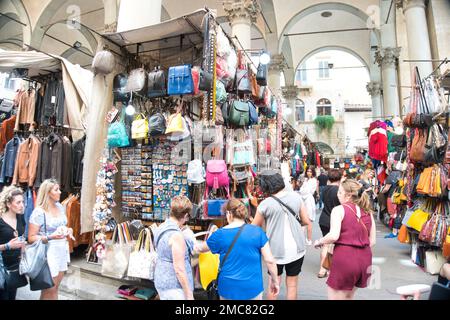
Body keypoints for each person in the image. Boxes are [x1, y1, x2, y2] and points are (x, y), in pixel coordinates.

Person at [195, 199, 280, 300]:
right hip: (252, 287)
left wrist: (191, 239)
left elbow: (200, 248)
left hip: (228, 288)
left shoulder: (220, 234)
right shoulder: (257, 232)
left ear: (229, 214)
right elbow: (270, 260)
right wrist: (275, 281)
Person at [252, 170, 312, 300]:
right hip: (297, 247)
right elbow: (306, 221)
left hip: (275, 249)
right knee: (292, 285)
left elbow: (253, 228)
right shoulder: (296, 197)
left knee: (274, 284)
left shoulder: (265, 204)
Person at [314, 179, 376, 300]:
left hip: (345, 258)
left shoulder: (339, 210)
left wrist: (320, 241)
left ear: (348, 195)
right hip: (364, 259)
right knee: (348, 296)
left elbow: (333, 235)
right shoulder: (368, 212)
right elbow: (372, 241)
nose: (338, 194)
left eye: (340, 192)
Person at [28, 179, 72, 300]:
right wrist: (50, 237)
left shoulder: (60, 207)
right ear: (47, 193)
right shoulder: (39, 212)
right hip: (48, 252)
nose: (60, 192)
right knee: (49, 289)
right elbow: (31, 238)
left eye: (59, 189)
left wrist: (69, 230)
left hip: (62, 249)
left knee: (55, 287)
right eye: (56, 189)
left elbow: (63, 226)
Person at [154, 195, 195, 300]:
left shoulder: (161, 227)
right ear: (185, 216)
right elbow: (179, 269)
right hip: (174, 287)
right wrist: (189, 294)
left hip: (161, 279)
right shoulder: (177, 236)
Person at [0, 186, 27, 300]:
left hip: (15, 266)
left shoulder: (20, 218)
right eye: (18, 202)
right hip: (1, 267)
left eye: (23, 201)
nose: (22, 205)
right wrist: (8, 246)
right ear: (8, 204)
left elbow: (22, 237)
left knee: (12, 296)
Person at [317, 169, 342, 278]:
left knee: (325, 244)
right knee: (333, 245)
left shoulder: (324, 189)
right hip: (334, 220)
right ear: (340, 178)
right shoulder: (339, 191)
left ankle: (322, 269)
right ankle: (329, 269)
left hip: (324, 218)